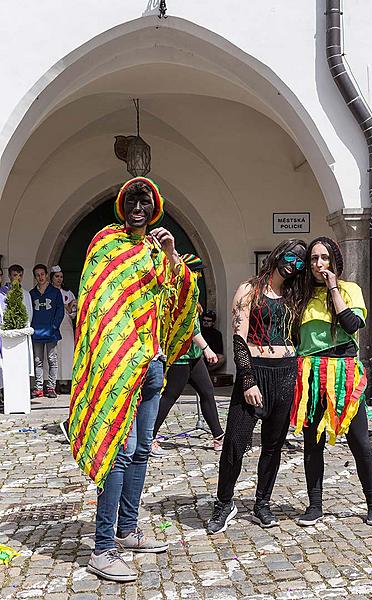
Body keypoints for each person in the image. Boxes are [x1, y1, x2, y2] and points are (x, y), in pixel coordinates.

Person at [69, 177, 198, 583]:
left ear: (155, 207)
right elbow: (97, 305)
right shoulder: (104, 243)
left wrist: (173, 253)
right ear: (122, 206)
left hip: (154, 365)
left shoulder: (160, 252)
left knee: (142, 450)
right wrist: (113, 357)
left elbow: (179, 299)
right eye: (131, 200)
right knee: (118, 454)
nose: (137, 207)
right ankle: (103, 547)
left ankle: (127, 529)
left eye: (145, 201)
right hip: (120, 368)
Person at [207, 239, 306, 534]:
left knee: (273, 445)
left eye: (300, 261)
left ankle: (262, 502)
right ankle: (224, 503)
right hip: (256, 372)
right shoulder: (250, 289)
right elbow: (239, 339)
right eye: (291, 257)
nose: (294, 264)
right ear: (277, 255)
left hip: (285, 373)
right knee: (235, 443)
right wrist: (248, 379)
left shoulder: (294, 295)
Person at [291, 237, 372, 527]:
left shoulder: (349, 290)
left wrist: (333, 288)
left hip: (344, 373)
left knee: (359, 441)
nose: (319, 264)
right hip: (311, 373)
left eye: (325, 258)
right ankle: (315, 505)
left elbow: (352, 325)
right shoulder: (301, 296)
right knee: (312, 443)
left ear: (335, 260)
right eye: (313, 259)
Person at [151, 254, 224, 457]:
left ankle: (218, 437)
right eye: (197, 271)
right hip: (180, 355)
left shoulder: (191, 290)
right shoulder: (179, 292)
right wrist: (207, 348)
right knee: (170, 396)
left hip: (192, 355)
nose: (199, 275)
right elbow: (189, 327)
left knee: (207, 392)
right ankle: (150, 437)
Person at [30, 264, 64, 399]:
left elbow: (60, 310)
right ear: (35, 277)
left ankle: (51, 387)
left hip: (51, 332)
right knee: (38, 360)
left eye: (42, 274)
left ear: (46, 275)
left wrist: (54, 326)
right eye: (37, 275)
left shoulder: (55, 292)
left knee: (52, 359)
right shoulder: (32, 294)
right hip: (37, 332)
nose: (40, 277)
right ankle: (38, 388)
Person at [50, 266, 77, 392]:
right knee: (55, 353)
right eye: (57, 276)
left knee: (67, 352)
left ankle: (66, 381)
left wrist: (70, 308)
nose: (59, 279)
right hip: (54, 325)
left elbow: (73, 312)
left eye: (61, 277)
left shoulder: (68, 293)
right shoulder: (49, 292)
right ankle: (53, 381)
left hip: (66, 326)